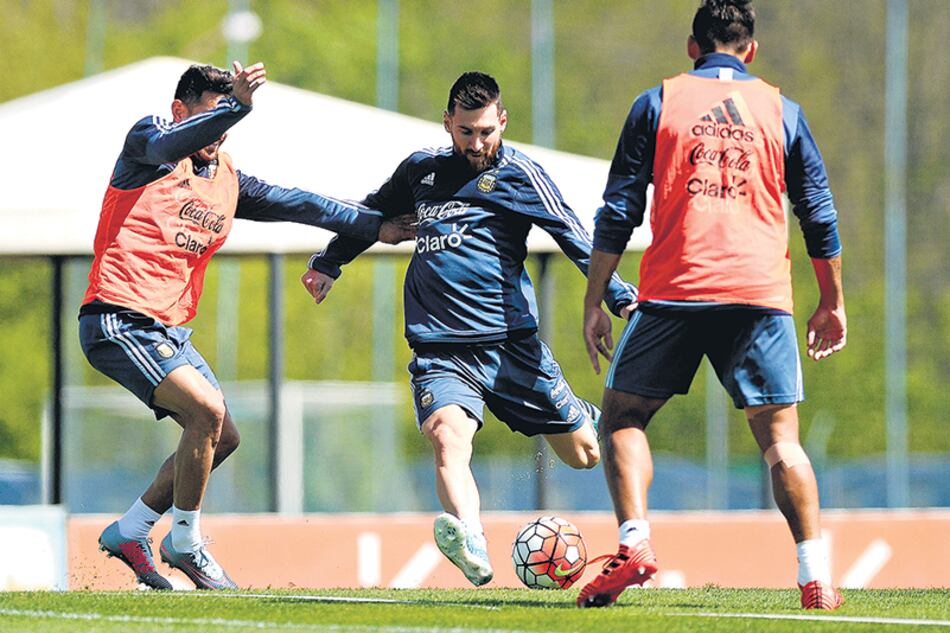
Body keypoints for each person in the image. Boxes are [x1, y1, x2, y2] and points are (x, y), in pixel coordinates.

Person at [79, 61, 413, 591]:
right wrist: (236, 104)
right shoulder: (147, 144)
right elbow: (171, 146)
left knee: (223, 435)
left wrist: (378, 227)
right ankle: (184, 542)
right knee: (207, 411)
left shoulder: (228, 180)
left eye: (226, 123)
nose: (220, 133)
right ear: (179, 112)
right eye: (212, 118)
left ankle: (132, 529)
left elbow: (305, 204)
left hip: (167, 332)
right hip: (117, 318)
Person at [302, 72, 638, 586]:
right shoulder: (421, 172)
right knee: (447, 438)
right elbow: (372, 212)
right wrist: (330, 262)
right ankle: (472, 539)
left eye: (485, 131)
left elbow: (573, 233)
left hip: (510, 349)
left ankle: (587, 414)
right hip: (440, 350)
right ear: (447, 124)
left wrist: (617, 295)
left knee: (585, 455)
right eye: (465, 132)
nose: (476, 144)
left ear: (502, 120)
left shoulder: (521, 174)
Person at [578, 0, 846, 610]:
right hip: (760, 294)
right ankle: (816, 575)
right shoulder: (783, 110)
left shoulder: (658, 102)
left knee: (622, 417)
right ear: (749, 51)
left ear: (691, 47)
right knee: (781, 441)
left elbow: (617, 212)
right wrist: (831, 301)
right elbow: (820, 216)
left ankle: (635, 543)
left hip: (676, 290)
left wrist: (595, 299)